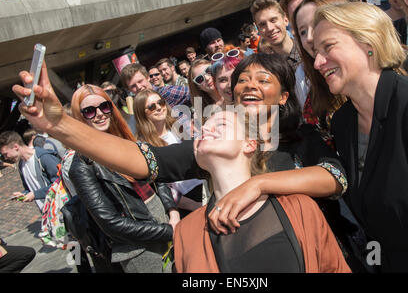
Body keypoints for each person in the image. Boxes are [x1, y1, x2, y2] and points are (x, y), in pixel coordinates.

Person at [13, 55, 353, 270]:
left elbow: (334, 178)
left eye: (263, 80)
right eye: (242, 81)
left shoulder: (301, 137)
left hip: (313, 251)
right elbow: (144, 160)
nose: (249, 85)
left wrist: (258, 183)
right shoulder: (218, 143)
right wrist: (60, 125)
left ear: (282, 96)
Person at [311, 2, 408, 272]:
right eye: (315, 52)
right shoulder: (343, 123)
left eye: (328, 47)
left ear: (369, 43)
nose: (317, 62)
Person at [173, 109, 351, 273]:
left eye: (221, 124)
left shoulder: (300, 208)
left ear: (249, 144)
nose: (204, 129)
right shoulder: (185, 233)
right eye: (202, 128)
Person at [68, 84, 177, 273]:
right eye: (89, 111)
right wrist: (168, 231)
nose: (100, 114)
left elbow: (157, 178)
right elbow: (111, 223)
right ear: (80, 117)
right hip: (139, 248)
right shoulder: (82, 166)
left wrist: (173, 213)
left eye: (104, 106)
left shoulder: (129, 142)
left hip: (167, 221)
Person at [133, 89, 204, 218]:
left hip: (206, 185)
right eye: (151, 106)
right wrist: (194, 205)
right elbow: (163, 188)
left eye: (160, 102)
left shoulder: (182, 127)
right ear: (142, 114)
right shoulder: (145, 146)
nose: (159, 108)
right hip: (188, 201)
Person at [291, 0, 348, 148]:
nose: (309, 37)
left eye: (316, 23)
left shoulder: (400, 67)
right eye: (302, 31)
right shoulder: (314, 105)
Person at [0, 131, 59, 212]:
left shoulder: (43, 157)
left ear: (16, 147)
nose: (5, 158)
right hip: (46, 212)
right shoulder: (21, 165)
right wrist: (24, 194)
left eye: (5, 154)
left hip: (60, 210)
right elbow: (30, 188)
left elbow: (60, 184)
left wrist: (35, 194)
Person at [250, 0, 301, 71]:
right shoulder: (265, 70)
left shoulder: (309, 50)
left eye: (273, 20)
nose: (270, 28)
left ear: (285, 20)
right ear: (259, 30)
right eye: (262, 24)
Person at [120, 63, 191, 107]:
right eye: (133, 86)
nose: (138, 87)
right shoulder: (138, 107)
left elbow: (195, 92)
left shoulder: (165, 92)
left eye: (140, 81)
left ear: (147, 77)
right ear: (129, 89)